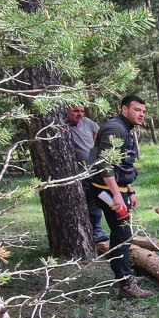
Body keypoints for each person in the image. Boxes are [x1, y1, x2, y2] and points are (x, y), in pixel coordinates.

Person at [88, 95, 153, 299]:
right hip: (107, 190)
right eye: (137, 110)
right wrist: (116, 195)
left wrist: (130, 191)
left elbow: (123, 164)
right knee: (122, 234)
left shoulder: (126, 129)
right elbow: (103, 163)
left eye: (143, 111)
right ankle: (125, 283)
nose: (141, 114)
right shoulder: (115, 128)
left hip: (117, 189)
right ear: (124, 109)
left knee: (123, 234)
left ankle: (124, 275)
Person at [63, 104, 107, 244]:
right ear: (66, 111)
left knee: (94, 201)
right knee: (78, 203)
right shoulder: (60, 124)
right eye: (76, 111)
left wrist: (94, 151)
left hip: (92, 170)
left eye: (82, 111)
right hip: (75, 174)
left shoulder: (87, 122)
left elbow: (98, 133)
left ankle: (97, 231)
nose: (80, 114)